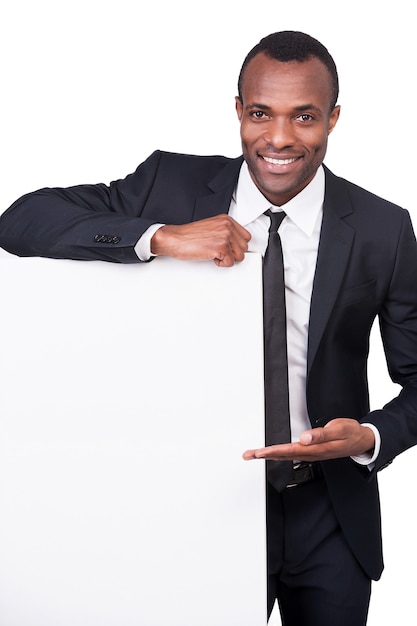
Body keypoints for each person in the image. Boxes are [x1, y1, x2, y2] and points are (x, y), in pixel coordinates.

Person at [1, 30, 416, 626]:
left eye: (304, 117)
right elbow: (20, 220)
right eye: (259, 114)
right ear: (238, 111)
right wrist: (159, 237)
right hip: (192, 507)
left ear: (334, 118)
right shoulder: (168, 185)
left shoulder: (383, 227)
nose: (278, 138)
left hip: (328, 515)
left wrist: (370, 438)